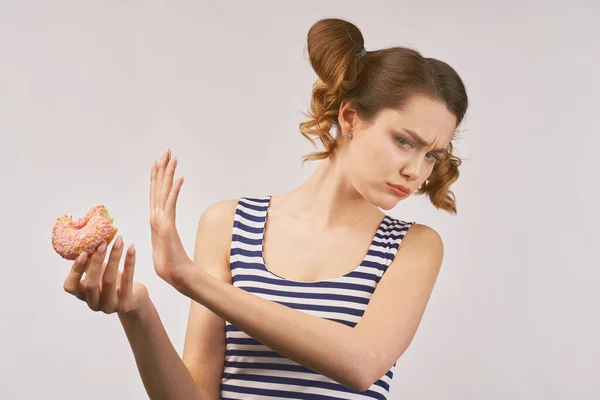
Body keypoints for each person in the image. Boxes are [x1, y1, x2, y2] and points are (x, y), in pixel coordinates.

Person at [62, 17, 468, 400]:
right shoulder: (229, 226)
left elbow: (361, 364)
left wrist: (189, 278)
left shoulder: (413, 246)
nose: (416, 170)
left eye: (432, 155)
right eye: (404, 141)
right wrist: (137, 311)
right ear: (350, 117)